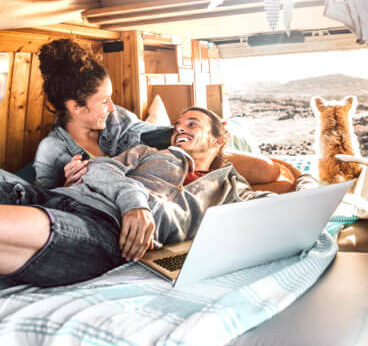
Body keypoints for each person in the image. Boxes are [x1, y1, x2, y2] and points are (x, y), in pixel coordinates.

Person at [0, 107, 282, 288]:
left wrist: (313, 184)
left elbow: (281, 204)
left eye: (192, 124)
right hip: (56, 196)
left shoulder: (231, 189)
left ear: (218, 139)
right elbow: (99, 167)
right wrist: (134, 202)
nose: (180, 128)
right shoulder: (148, 152)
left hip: (102, 228)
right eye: (177, 124)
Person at [33, 39, 294, 189]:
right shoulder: (52, 151)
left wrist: (198, 133)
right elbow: (47, 207)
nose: (112, 107)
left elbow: (155, 134)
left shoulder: (117, 120)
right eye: (104, 101)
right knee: (280, 185)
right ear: (75, 107)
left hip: (173, 160)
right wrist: (68, 187)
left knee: (274, 174)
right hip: (151, 194)